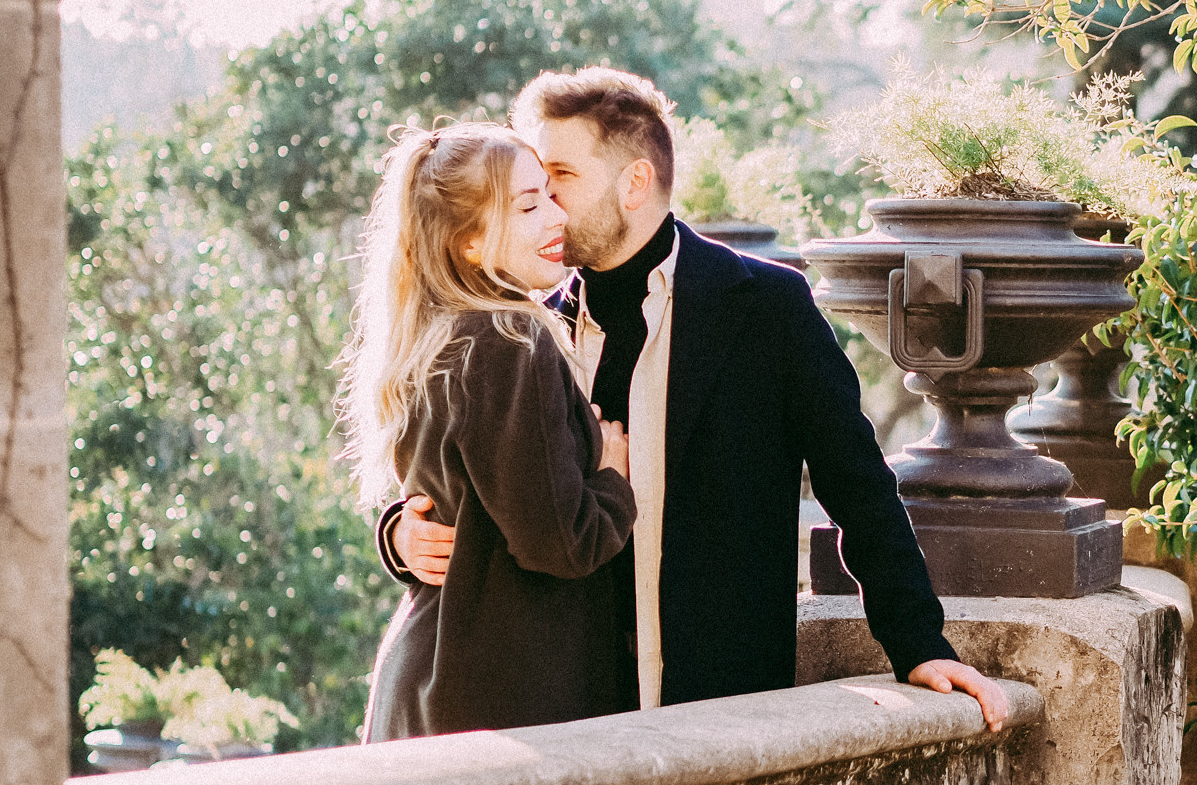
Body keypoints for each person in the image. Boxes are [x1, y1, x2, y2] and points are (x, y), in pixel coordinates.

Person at [379, 67, 1009, 727]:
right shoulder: (525, 327)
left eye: (559, 175)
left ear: (634, 183)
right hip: (563, 715)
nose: (547, 201)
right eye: (534, 184)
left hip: (713, 710)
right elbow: (473, 482)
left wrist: (918, 644)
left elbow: (858, 485)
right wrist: (402, 535)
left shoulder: (766, 308)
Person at [313, 122, 638, 785]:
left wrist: (397, 535)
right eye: (528, 204)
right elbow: (558, 541)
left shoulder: (438, 337)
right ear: (465, 239)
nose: (557, 219)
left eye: (555, 194)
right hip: (502, 685)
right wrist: (613, 477)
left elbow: (443, 508)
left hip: (429, 678)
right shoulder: (507, 342)